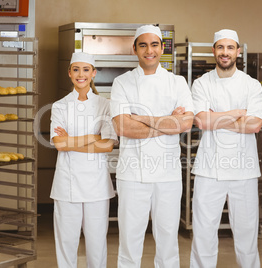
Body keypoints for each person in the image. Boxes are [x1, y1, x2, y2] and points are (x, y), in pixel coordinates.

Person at [110, 24, 194, 268]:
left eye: (154, 44)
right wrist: (169, 120)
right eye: (143, 45)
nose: (149, 50)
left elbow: (186, 122)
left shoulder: (177, 82)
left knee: (168, 239)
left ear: (162, 48)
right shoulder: (122, 83)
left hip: (167, 174)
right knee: (130, 239)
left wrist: (141, 117)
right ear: (134, 48)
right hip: (133, 173)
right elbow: (123, 128)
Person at [190, 29, 262, 268]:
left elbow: (254, 125)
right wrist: (236, 114)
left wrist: (216, 119)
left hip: (244, 170)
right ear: (213, 51)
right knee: (203, 232)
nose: (225, 53)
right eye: (220, 48)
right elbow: (201, 121)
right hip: (208, 169)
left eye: (230, 48)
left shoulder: (251, 85)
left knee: (246, 234)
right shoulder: (201, 83)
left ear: (238, 51)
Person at [50, 52, 117, 268]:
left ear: (93, 73)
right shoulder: (59, 106)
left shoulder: (105, 105)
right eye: (76, 69)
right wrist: (92, 138)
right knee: (66, 243)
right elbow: (59, 144)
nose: (81, 74)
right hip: (66, 184)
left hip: (97, 185)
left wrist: (71, 140)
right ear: (69, 73)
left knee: (97, 245)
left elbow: (108, 144)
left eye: (86, 69)